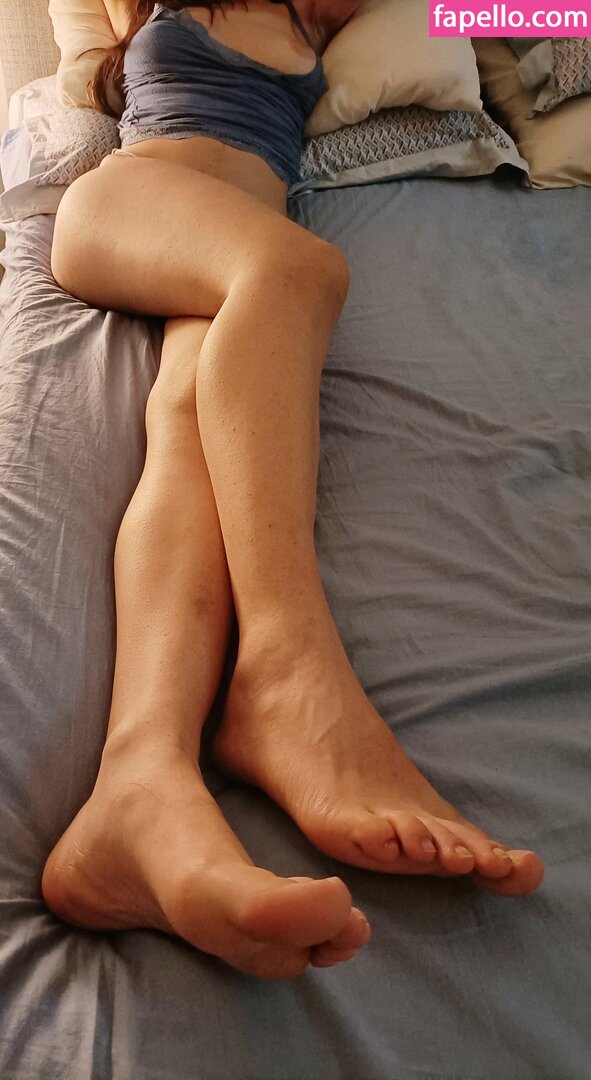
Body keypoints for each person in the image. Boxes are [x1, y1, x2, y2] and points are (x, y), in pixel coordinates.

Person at [44, 0, 544, 981]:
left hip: (226, 282)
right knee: (299, 269)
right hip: (135, 210)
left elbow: (535, 9)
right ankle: (285, 668)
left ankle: (135, 791)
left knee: (192, 439)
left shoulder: (328, 15)